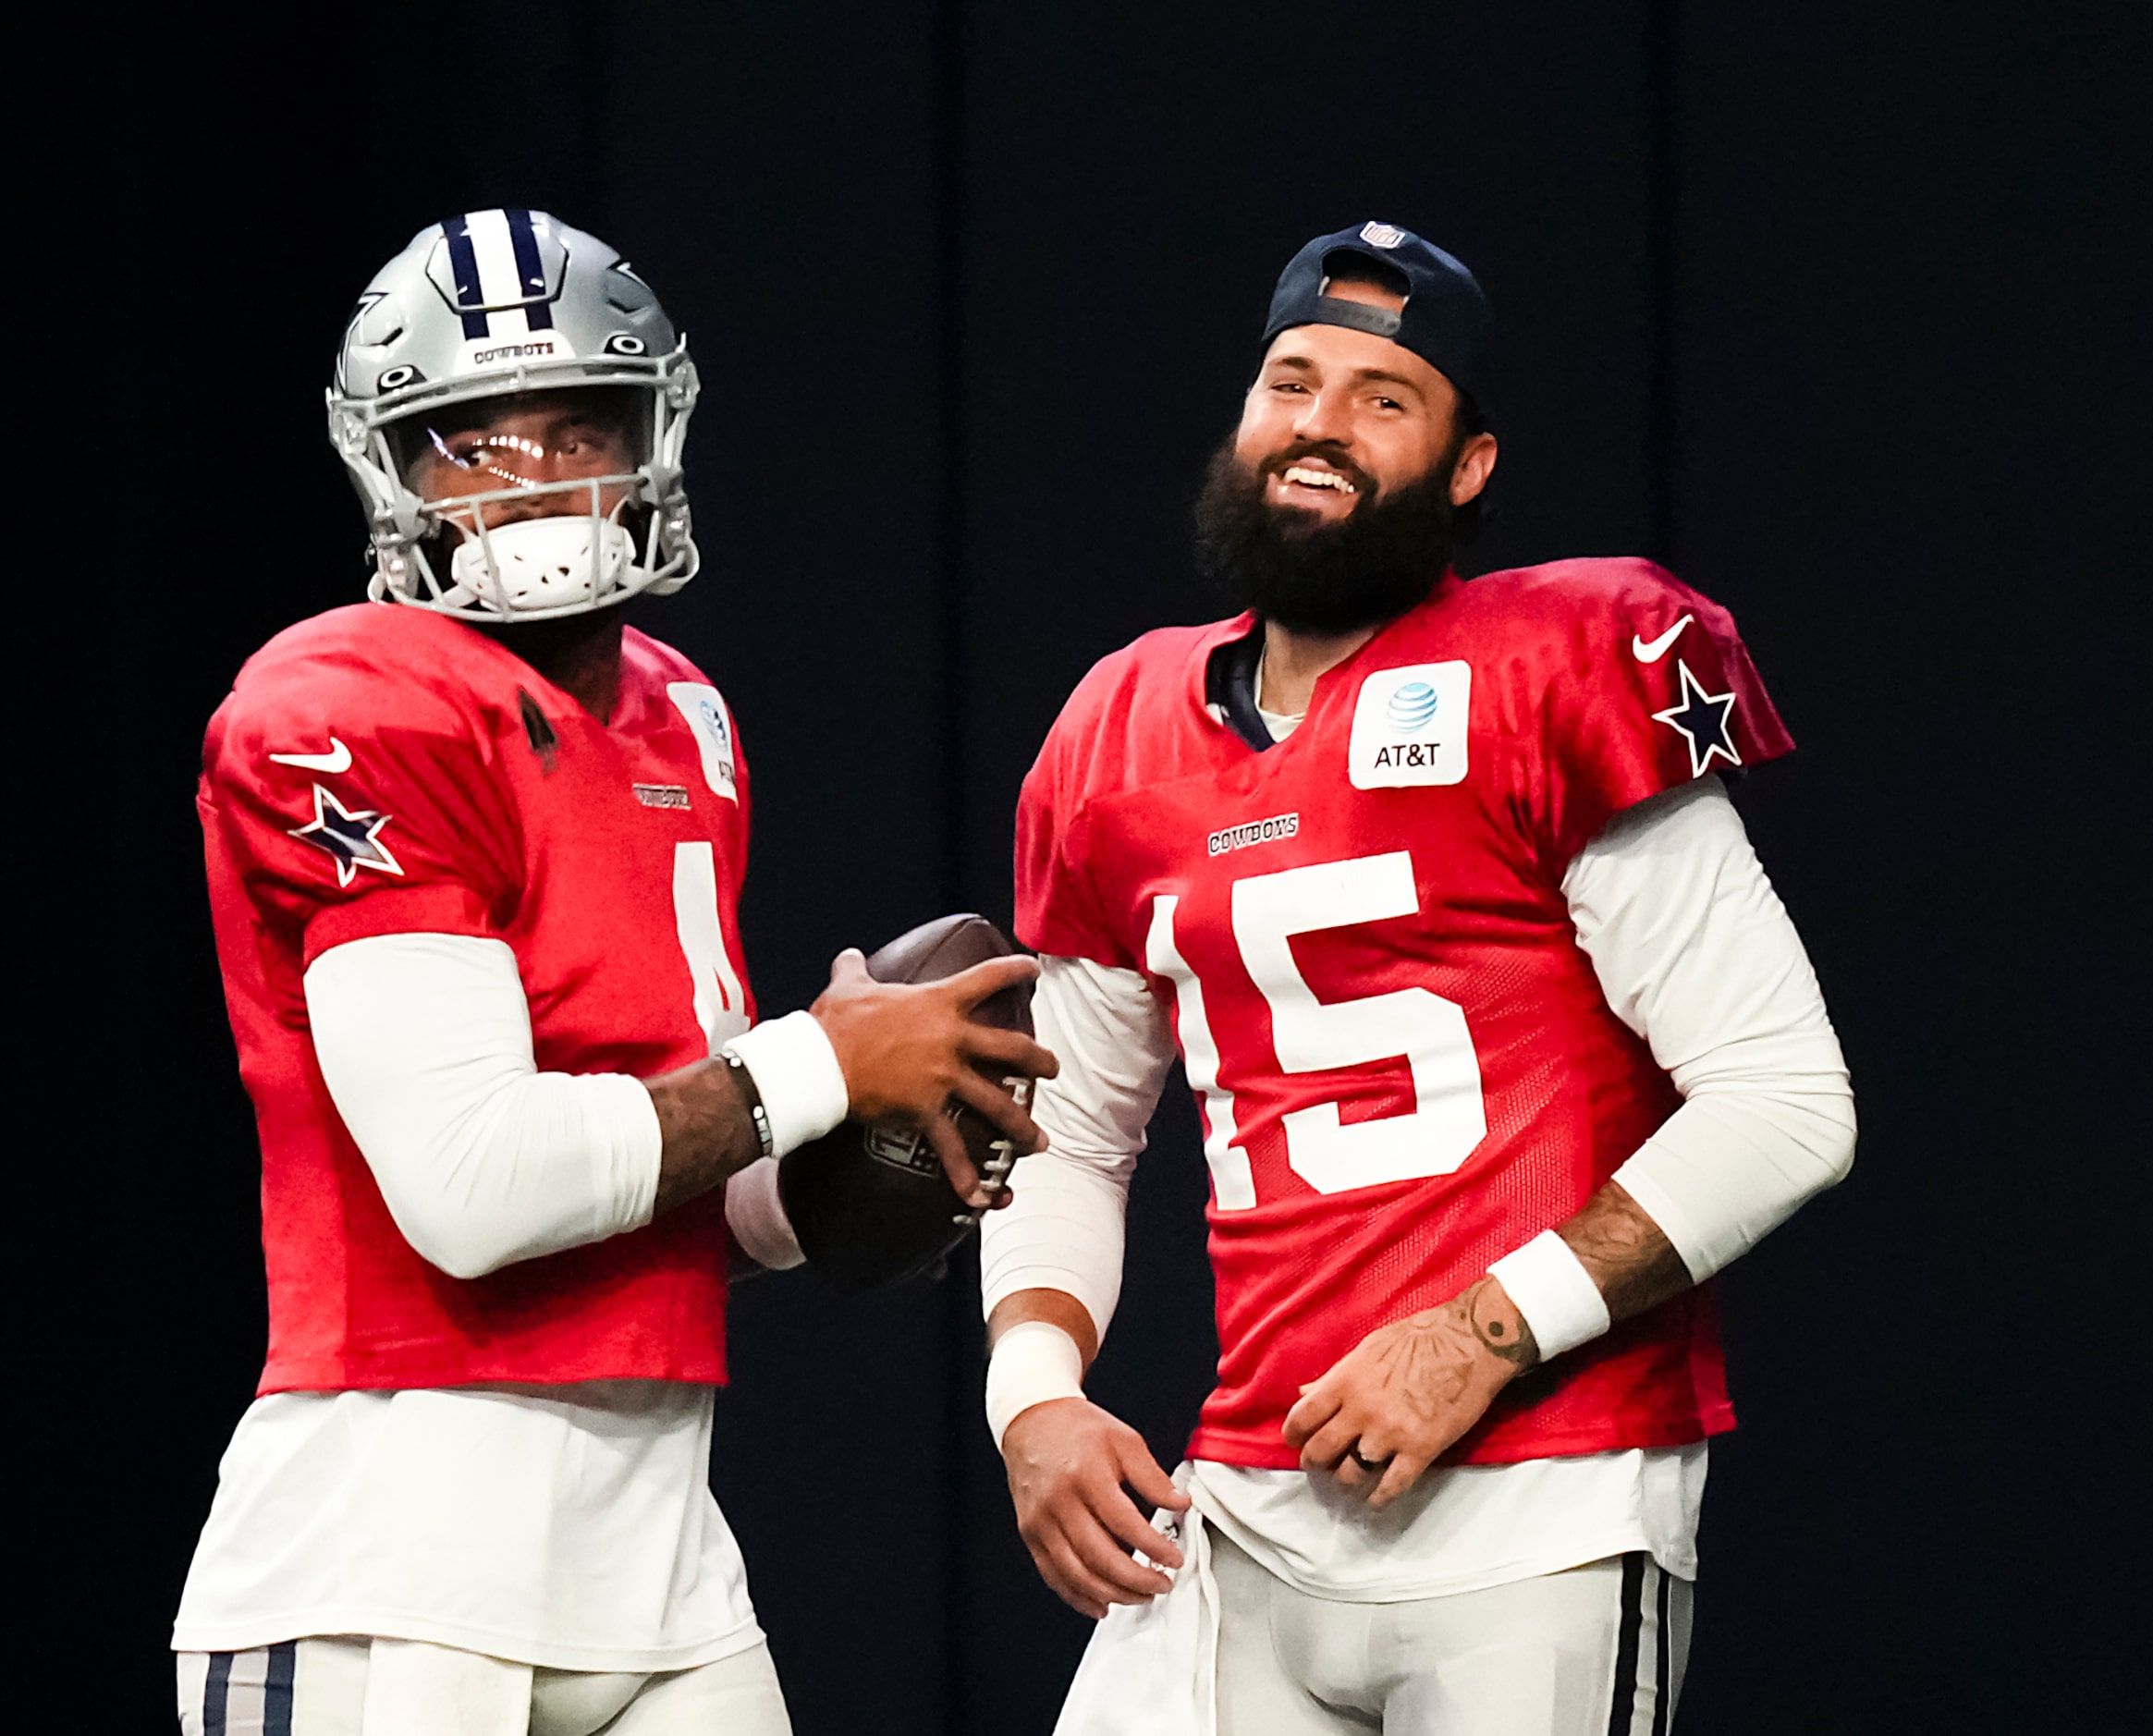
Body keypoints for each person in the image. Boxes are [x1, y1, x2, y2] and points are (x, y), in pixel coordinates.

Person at [170, 208, 1052, 1736]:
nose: (534, 484)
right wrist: (822, 1065)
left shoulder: (682, 714)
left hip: (657, 1555)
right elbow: (477, 1190)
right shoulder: (346, 702)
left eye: (577, 429)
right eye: (470, 442)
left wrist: (868, 1156)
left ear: (656, 433)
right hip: (388, 1565)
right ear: (391, 468)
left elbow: (674, 1160)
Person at [982, 220, 1857, 1735]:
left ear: (1467, 467)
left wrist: (1480, 1330)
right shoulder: (1116, 727)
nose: (1319, 423)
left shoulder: (1557, 662)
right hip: (1243, 1504)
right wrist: (1034, 1397)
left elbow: (1786, 1102)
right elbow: (1070, 1121)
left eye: (1384, 397)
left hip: (1542, 1505)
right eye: (1291, 380)